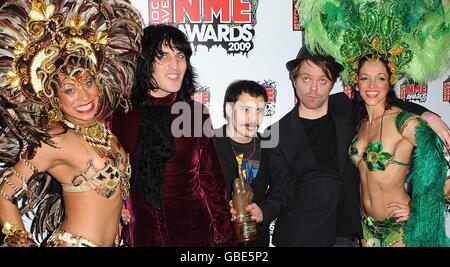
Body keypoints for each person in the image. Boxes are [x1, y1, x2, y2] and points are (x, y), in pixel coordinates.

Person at [230, 46, 450, 247]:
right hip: (303, 237)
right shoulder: (275, 134)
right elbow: (281, 188)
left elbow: (383, 97)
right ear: (294, 79)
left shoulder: (346, 108)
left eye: (322, 81)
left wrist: (429, 116)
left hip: (355, 233)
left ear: (333, 83)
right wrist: (262, 212)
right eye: (306, 79)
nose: (313, 89)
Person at [297, 0, 450, 246]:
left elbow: (442, 172)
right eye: (365, 78)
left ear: (390, 82)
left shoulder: (405, 123)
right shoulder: (358, 123)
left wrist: (419, 212)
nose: (372, 86)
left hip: (399, 232)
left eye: (380, 78)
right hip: (366, 232)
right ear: (355, 82)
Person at [0, 0, 142, 247]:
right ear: (54, 97)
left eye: (88, 82)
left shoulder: (104, 134)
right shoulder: (55, 139)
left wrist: (116, 210)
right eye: (69, 89)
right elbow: (3, 193)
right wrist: (20, 241)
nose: (84, 96)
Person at [112, 24, 233, 246]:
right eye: (163, 56)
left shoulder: (196, 115)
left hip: (196, 237)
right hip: (144, 237)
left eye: (180, 55)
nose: (175, 65)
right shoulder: (119, 115)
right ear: (146, 61)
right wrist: (118, 206)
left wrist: (227, 240)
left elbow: (212, 183)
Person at [214, 80, 271, 246]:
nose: (253, 118)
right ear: (229, 110)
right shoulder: (208, 144)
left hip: (257, 242)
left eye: (259, 110)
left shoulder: (269, 146)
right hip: (217, 240)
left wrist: (264, 211)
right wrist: (225, 209)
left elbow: (282, 187)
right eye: (246, 110)